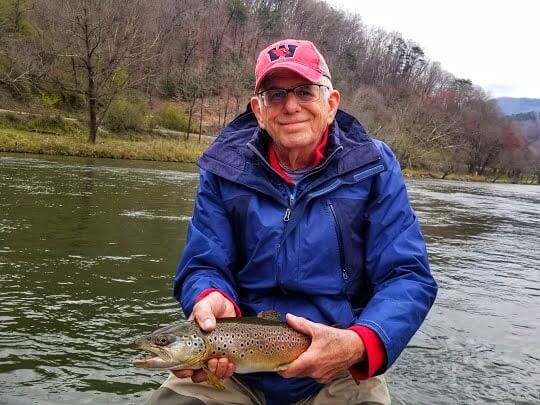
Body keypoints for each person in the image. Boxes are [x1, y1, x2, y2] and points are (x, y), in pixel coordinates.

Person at [149, 38, 437, 405]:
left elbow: (407, 275)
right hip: (234, 370)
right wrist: (209, 295)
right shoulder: (223, 169)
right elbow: (204, 262)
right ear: (258, 109)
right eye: (275, 95)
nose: (290, 106)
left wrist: (359, 342)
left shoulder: (374, 166)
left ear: (331, 104)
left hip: (340, 368)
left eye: (305, 91)